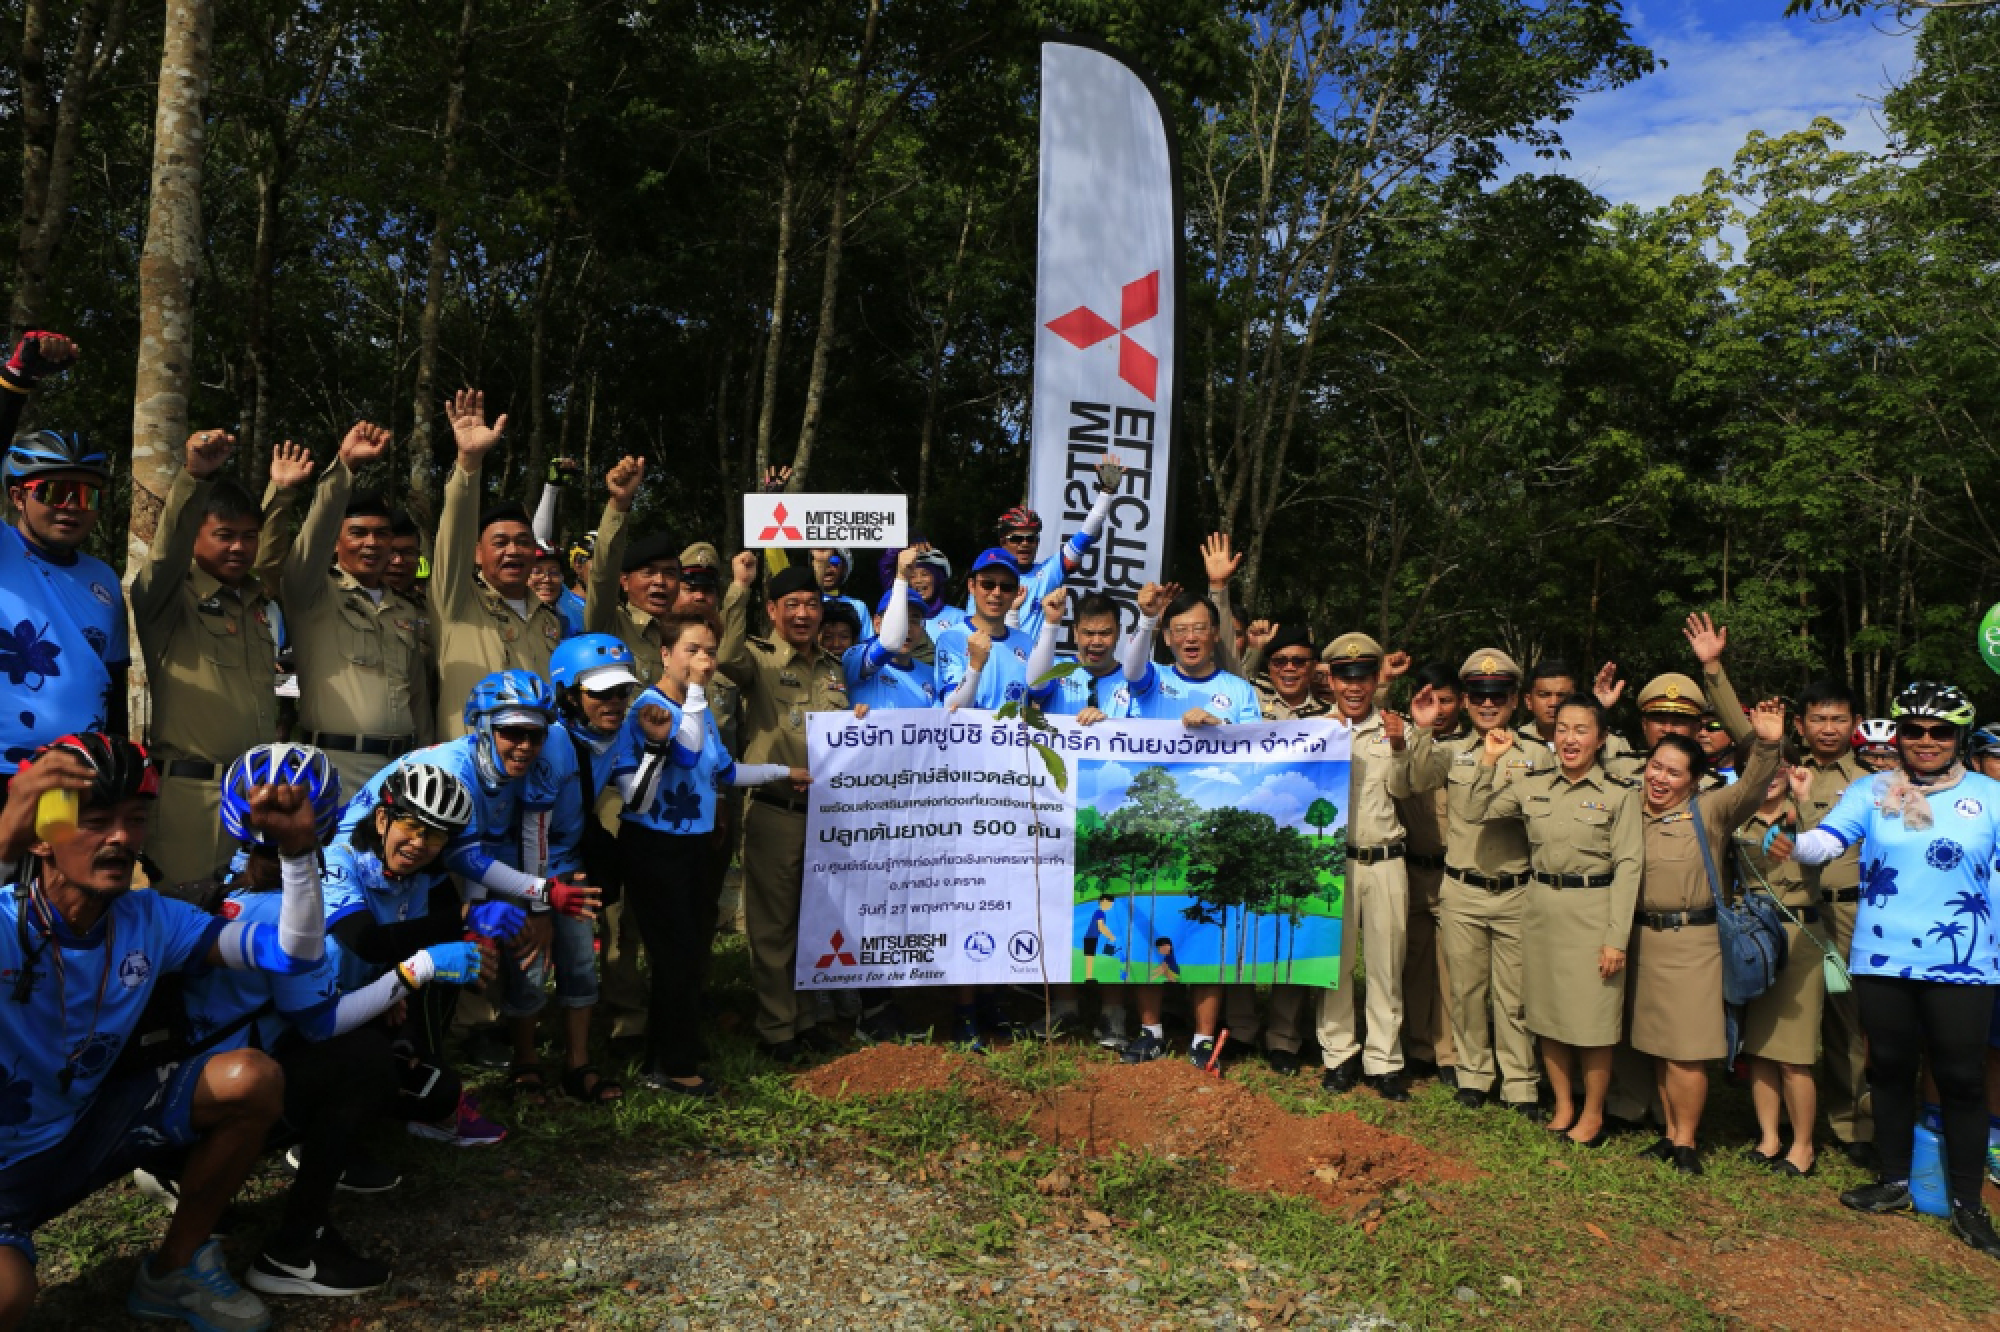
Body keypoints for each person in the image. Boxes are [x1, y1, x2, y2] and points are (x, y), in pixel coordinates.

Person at [0, 733, 331, 1332]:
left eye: (135, 819)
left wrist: (299, 852)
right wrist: (2, 838)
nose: (121, 838)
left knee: (250, 1081)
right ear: (42, 835)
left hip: (84, 1134)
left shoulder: (150, 918)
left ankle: (173, 1272)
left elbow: (294, 954)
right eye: (96, 821)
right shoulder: (6, 923)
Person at [177, 744, 486, 1298]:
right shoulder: (294, 901)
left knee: (397, 1063)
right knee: (365, 1065)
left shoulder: (228, 879)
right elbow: (321, 1021)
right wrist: (419, 969)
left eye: (434, 835)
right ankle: (295, 1248)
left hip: (190, 1074)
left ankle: (189, 1170)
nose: (419, 842)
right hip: (236, 1079)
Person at [1782, 681, 2000, 1260]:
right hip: (1882, 957)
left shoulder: (1990, 794)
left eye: (1940, 731)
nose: (1926, 741)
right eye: (1914, 730)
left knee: (1961, 1080)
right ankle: (1895, 1179)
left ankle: (1968, 1203)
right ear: (1898, 734)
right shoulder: (1870, 789)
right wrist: (1787, 839)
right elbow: (1824, 845)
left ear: (1958, 737)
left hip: (1964, 961)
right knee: (1891, 1070)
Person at [615, 610, 809, 1094]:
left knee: (686, 953)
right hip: (656, 846)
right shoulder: (651, 709)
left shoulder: (696, 708)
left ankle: (669, 1052)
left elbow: (722, 770)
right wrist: (699, 692)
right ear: (665, 653)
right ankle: (674, 1067)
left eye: (710, 651)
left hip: (695, 847)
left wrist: (784, 774)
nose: (704, 660)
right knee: (675, 954)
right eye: (692, 650)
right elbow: (686, 748)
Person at [1460, 695, 1645, 1146]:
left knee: (1594, 1022)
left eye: (1581, 730)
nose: (1570, 738)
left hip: (1593, 911)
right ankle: (1563, 1104)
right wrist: (1489, 760)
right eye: (1562, 729)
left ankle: (1594, 1112)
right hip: (1541, 909)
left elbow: (1629, 867)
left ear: (1601, 739)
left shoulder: (1619, 795)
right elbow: (1476, 810)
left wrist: (1616, 939)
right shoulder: (1532, 785)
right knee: (1546, 1014)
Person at [1622, 702, 1784, 1174]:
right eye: (1656, 766)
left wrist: (1769, 743)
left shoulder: (1708, 810)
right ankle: (1669, 1133)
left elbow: (1752, 787)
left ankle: (1688, 1142)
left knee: (1687, 1050)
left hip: (1693, 944)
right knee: (1657, 1043)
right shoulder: (1632, 810)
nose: (1660, 778)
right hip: (1644, 941)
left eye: (1673, 773)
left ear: (1693, 780)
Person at [1395, 650, 1551, 1116]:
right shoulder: (1450, 752)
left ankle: (1521, 1083)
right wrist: (1420, 730)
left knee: (1515, 994)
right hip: (1461, 889)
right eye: (1479, 696)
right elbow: (1410, 782)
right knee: (1464, 989)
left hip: (1516, 888)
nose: (1488, 704)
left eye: (1498, 695)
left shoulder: (1538, 755)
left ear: (1514, 700)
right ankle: (1474, 1074)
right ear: (1465, 701)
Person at [325, 762, 512, 1148]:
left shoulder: (416, 876)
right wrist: (461, 917)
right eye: (412, 826)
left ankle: (421, 1103)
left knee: (438, 1088)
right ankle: (316, 1131)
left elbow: (409, 945)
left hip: (357, 1006)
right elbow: (366, 941)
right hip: (305, 1018)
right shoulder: (336, 862)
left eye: (436, 837)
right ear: (381, 819)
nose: (419, 844)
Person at [129, 429, 281, 896]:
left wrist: (282, 492)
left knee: (245, 935)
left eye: (248, 537)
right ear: (196, 534)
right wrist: (193, 479)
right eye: (224, 536)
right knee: (180, 931)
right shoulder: (168, 600)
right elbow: (166, 554)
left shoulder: (257, 603)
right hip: (190, 802)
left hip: (255, 802)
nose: (238, 547)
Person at [1115, 585, 1261, 1069]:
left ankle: (1202, 1041)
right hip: (1151, 830)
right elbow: (1132, 670)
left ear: (1215, 634)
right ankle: (1151, 1031)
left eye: (1200, 628)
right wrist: (1147, 618)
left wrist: (1220, 728)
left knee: (1208, 932)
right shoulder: (1150, 678)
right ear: (1168, 638)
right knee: (1146, 927)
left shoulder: (1239, 691)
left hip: (1213, 834)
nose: (1191, 638)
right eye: (1180, 630)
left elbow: (1258, 754)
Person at [720, 556, 853, 1059]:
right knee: (772, 926)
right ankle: (777, 1029)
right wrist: (739, 588)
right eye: (791, 604)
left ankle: (805, 1018)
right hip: (776, 813)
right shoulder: (758, 658)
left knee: (812, 922)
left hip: (827, 818)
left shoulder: (835, 667)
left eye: (812, 604)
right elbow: (726, 654)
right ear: (773, 610)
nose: (803, 613)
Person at [255, 422, 432, 793]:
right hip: (336, 766)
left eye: (382, 534)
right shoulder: (313, 593)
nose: (372, 543)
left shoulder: (405, 611)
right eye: (358, 533)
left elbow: (417, 698)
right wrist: (345, 467)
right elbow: (306, 543)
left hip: (403, 766)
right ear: (336, 543)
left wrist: (427, 758)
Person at [0, 389, 129, 790]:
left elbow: (113, 681)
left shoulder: (103, 577)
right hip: (5, 773)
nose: (72, 505)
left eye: (86, 494)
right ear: (18, 496)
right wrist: (14, 384)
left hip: (80, 774)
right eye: (55, 492)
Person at [541, 633, 646, 1104]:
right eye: (600, 693)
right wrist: (535, 898)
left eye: (621, 692)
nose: (614, 702)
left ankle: (577, 1063)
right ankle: (525, 1061)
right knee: (525, 967)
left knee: (580, 964)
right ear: (568, 694)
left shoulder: (621, 732)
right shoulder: (549, 741)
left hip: (573, 860)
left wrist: (657, 748)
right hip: (531, 863)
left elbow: (635, 797)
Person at [428, 390, 565, 739]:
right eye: (500, 543)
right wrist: (468, 466)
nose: (513, 552)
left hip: (535, 766)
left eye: (523, 542)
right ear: (477, 553)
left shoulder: (550, 617)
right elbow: (453, 536)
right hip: (470, 772)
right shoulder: (456, 601)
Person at [1311, 632, 1412, 1099]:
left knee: (1386, 963)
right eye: (1345, 677)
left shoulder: (1398, 728)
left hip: (1386, 860)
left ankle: (1385, 1059)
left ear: (1376, 680)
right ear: (1330, 680)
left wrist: (1398, 747)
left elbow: (1411, 789)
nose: (1354, 687)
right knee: (1334, 963)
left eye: (1364, 677)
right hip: (1332, 862)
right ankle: (1338, 1054)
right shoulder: (1311, 730)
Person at [1792, 680, 1876, 1165]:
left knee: (1850, 1020)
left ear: (1854, 725)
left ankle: (1854, 1126)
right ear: (1801, 725)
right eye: (1818, 719)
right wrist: (1713, 669)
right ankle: (1788, 1117)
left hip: (1850, 912)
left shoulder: (1872, 779)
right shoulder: (1782, 772)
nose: (1828, 728)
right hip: (1794, 911)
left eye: (1838, 719)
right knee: (1791, 1014)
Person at [1736, 761, 1825, 1178]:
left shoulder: (1805, 813)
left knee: (1795, 1055)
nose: (1769, 777)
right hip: (1755, 939)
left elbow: (1831, 846)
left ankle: (1803, 1146)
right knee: (1760, 1048)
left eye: (1777, 769)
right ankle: (1769, 1137)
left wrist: (1805, 803)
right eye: (1759, 768)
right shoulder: (1739, 815)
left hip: (1799, 936)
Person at [1396, 661, 1461, 1086]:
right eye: (1428, 699)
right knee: (1415, 961)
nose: (1438, 709)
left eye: (1447, 700)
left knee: (1454, 967)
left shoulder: (1473, 746)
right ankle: (1417, 1044)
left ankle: (1451, 1053)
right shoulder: (1399, 740)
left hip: (1455, 872)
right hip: (1411, 867)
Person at [979, 458, 1121, 642]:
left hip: (1034, 665)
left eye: (1031, 538)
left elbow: (1085, 537)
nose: (1024, 544)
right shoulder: (986, 582)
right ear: (1002, 542)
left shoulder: (1048, 572)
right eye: (1016, 538)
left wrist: (1106, 494)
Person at [585, 456, 682, 688]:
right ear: (625, 581)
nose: (660, 581)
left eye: (669, 573)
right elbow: (603, 574)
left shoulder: (686, 634)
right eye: (649, 573)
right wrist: (619, 504)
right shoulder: (609, 623)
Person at [936, 549, 1033, 712]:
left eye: (1006, 587)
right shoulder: (952, 638)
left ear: (1016, 592)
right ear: (972, 586)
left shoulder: (1026, 642)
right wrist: (975, 665)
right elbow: (952, 708)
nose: (996, 593)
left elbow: (1041, 698)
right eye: (988, 584)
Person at [845, 546, 939, 712]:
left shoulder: (931, 674)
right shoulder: (856, 658)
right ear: (877, 624)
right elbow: (890, 643)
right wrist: (902, 577)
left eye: (914, 619)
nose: (907, 628)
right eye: (900, 619)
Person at [1241, 623, 1331, 721]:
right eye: (1279, 661)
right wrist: (1256, 649)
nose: (1289, 667)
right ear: (1269, 665)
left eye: (1299, 661)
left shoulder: (1328, 714)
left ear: (1313, 666)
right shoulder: (1251, 695)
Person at [809, 549, 872, 631]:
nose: (828, 565)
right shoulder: (803, 604)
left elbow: (866, 643)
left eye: (834, 560)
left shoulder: (858, 607)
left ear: (844, 568)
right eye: (820, 561)